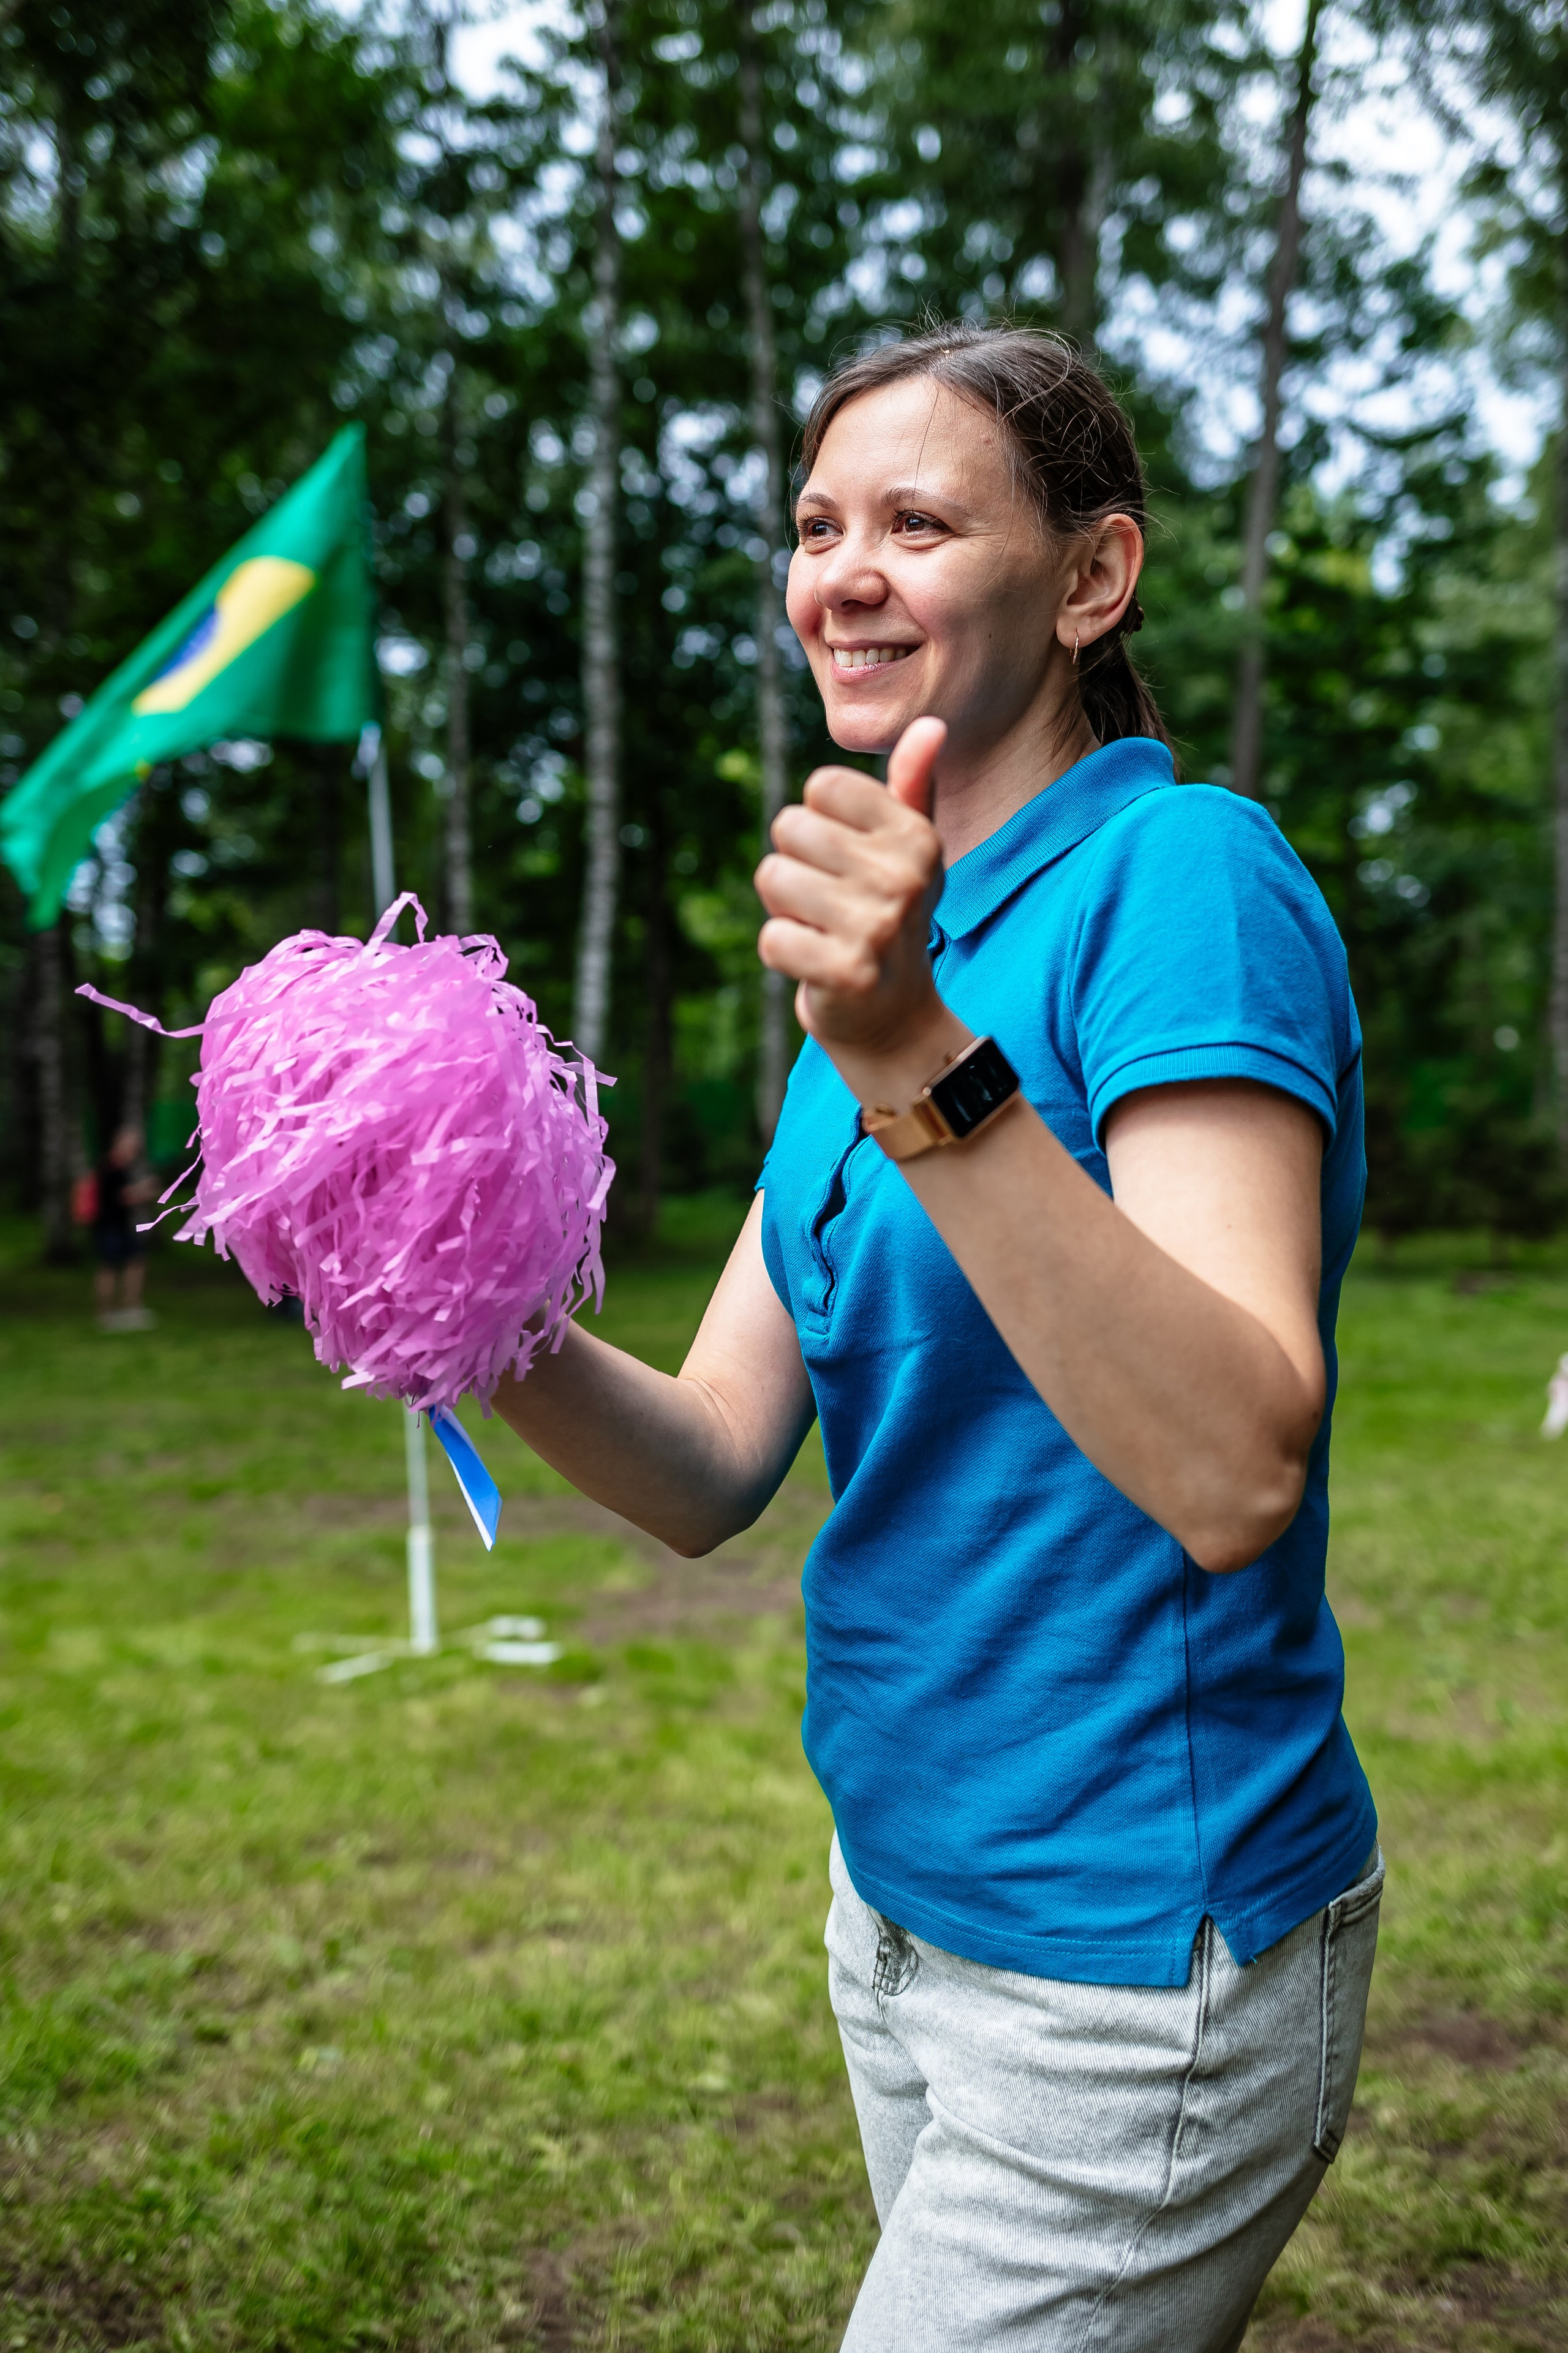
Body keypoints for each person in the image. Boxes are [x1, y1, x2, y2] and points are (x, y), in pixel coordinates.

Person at [493, 322, 1381, 2351]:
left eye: (917, 518)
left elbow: (1237, 1463)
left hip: (1143, 1958)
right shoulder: (887, 953)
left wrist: (908, 1045)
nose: (844, 569)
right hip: (897, 1911)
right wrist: (470, 1322)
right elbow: (718, 1457)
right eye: (818, 526)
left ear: (1091, 579)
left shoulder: (1182, 878)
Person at [93, 1121, 158, 1332]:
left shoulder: (121, 1167)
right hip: (109, 1226)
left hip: (121, 1226)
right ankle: (106, 1314)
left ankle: (131, 1307)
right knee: (110, 1268)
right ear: (119, 1143)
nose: (134, 1150)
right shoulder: (110, 1167)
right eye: (131, 1145)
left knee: (136, 1262)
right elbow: (120, 1197)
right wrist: (144, 1191)